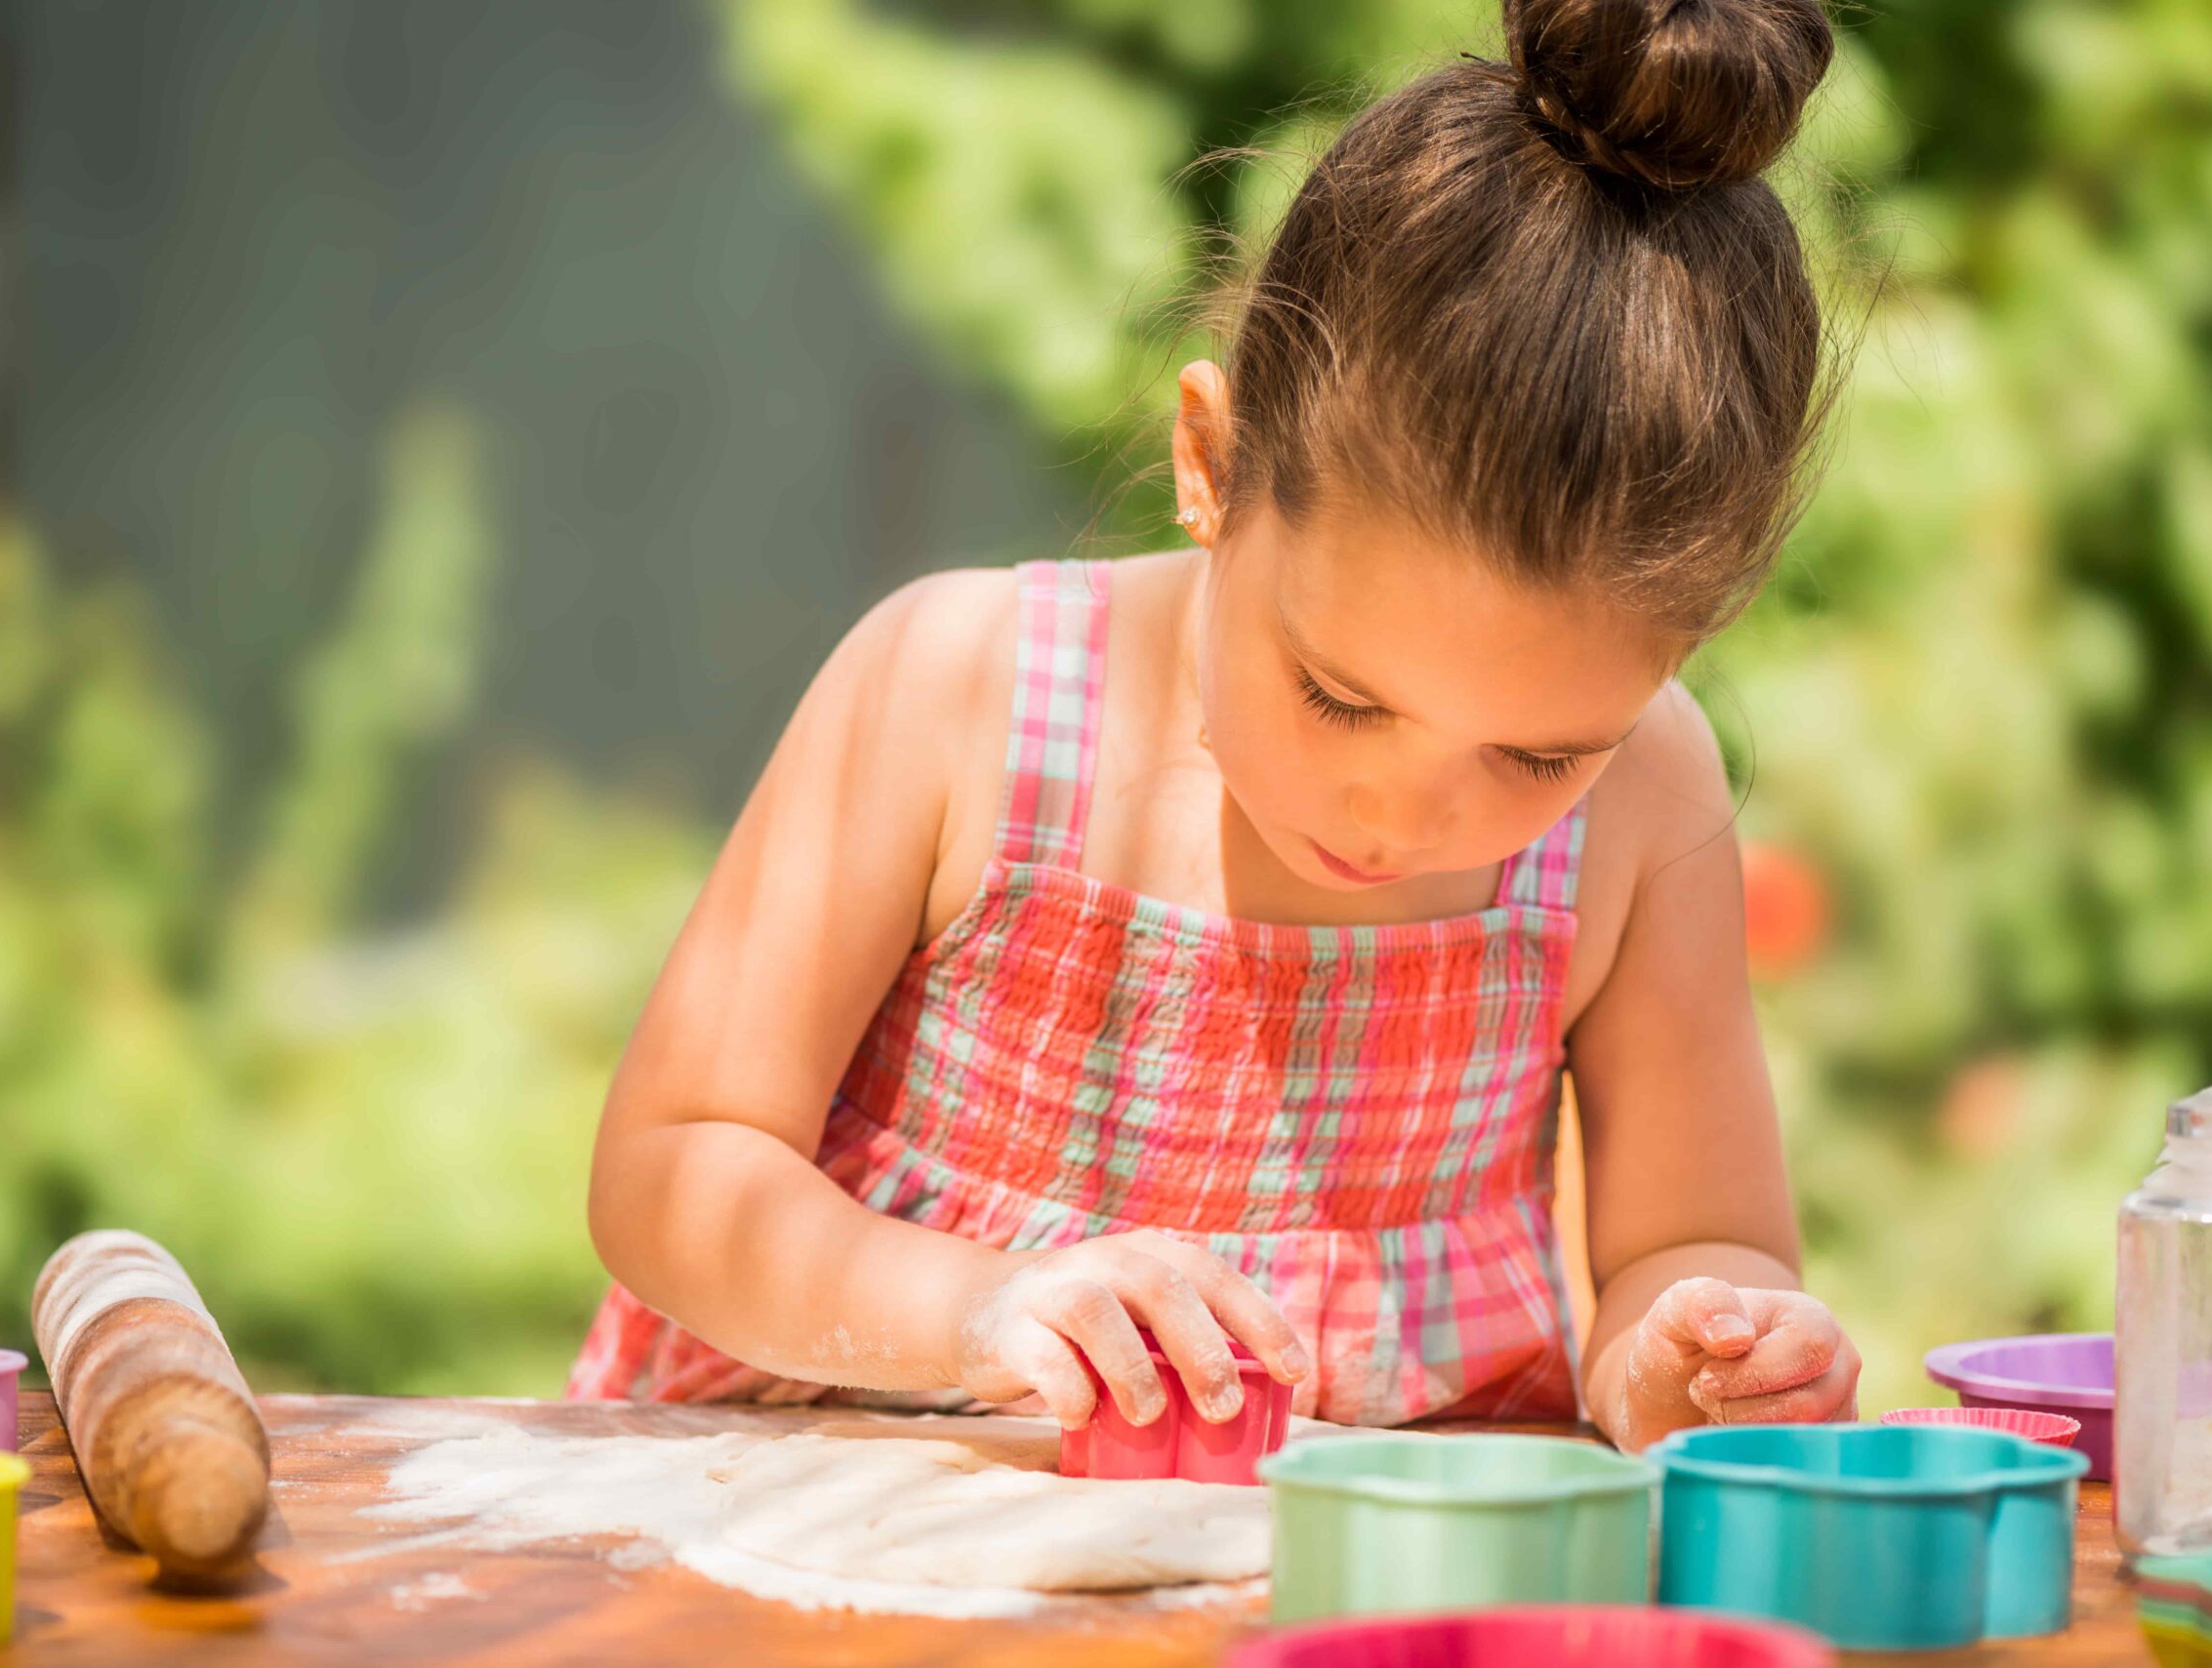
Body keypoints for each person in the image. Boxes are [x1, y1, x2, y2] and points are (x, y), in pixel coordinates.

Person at [571, 0, 1862, 1451]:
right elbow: (677, 1168)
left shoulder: (1652, 801)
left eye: (1540, 755)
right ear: (1212, 464)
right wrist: (980, 1307)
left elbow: (1692, 1245)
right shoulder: (957, 693)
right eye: (1341, 696)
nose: (1401, 811)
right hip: (819, 1544)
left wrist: (1698, 1354)